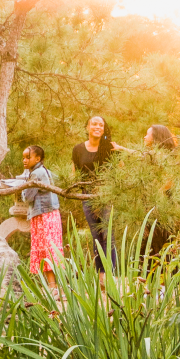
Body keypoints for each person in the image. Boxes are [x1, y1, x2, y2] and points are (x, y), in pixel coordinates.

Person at [72, 114, 122, 273]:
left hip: (107, 197)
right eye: (94, 124)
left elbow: (121, 171)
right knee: (96, 237)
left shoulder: (110, 147)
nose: (98, 127)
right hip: (87, 197)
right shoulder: (78, 149)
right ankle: (101, 275)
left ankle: (111, 276)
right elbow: (75, 175)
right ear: (87, 127)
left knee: (108, 236)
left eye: (101, 125)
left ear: (104, 128)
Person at [19, 145, 63, 288]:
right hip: (51, 214)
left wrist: (21, 189)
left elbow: (27, 198)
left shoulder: (36, 174)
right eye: (23, 157)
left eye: (28, 157)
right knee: (51, 250)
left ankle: (52, 287)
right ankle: (54, 286)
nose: (24, 160)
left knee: (45, 250)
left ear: (37, 158)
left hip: (43, 216)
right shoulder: (45, 171)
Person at [142, 123, 178, 255]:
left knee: (159, 243)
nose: (144, 137)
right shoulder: (152, 156)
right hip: (153, 206)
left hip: (160, 206)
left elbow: (167, 184)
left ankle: (162, 274)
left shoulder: (163, 157)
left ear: (156, 137)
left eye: (147, 134)